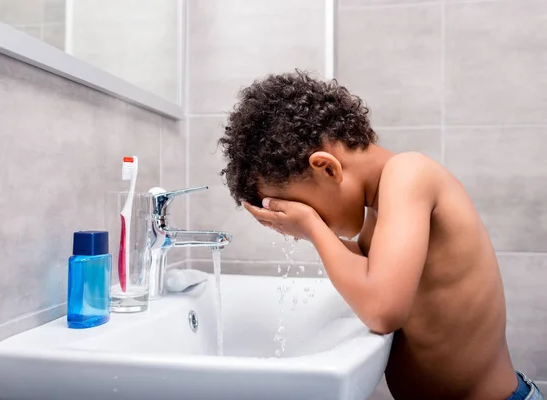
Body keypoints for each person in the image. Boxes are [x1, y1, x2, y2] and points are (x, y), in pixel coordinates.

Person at [218, 70, 543, 400]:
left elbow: (384, 309)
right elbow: (374, 277)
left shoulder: (409, 173)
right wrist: (308, 229)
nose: (307, 216)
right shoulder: (380, 208)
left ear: (328, 168)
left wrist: (313, 228)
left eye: (300, 205)